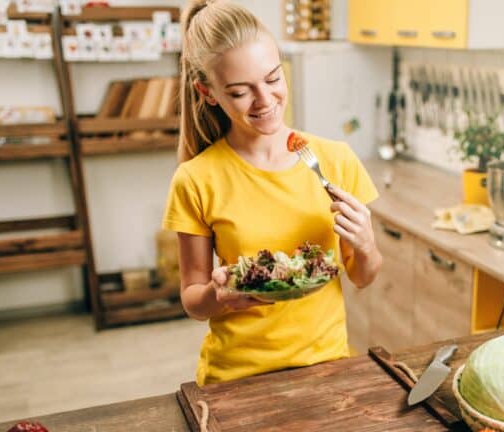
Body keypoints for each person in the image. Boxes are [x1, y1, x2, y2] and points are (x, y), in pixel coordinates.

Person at [162, 0, 383, 386]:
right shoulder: (195, 179)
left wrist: (365, 244)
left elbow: (362, 277)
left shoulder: (335, 160)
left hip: (326, 367)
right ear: (208, 92)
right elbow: (193, 300)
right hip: (237, 377)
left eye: (273, 78)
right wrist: (221, 293)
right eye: (240, 92)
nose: (265, 101)